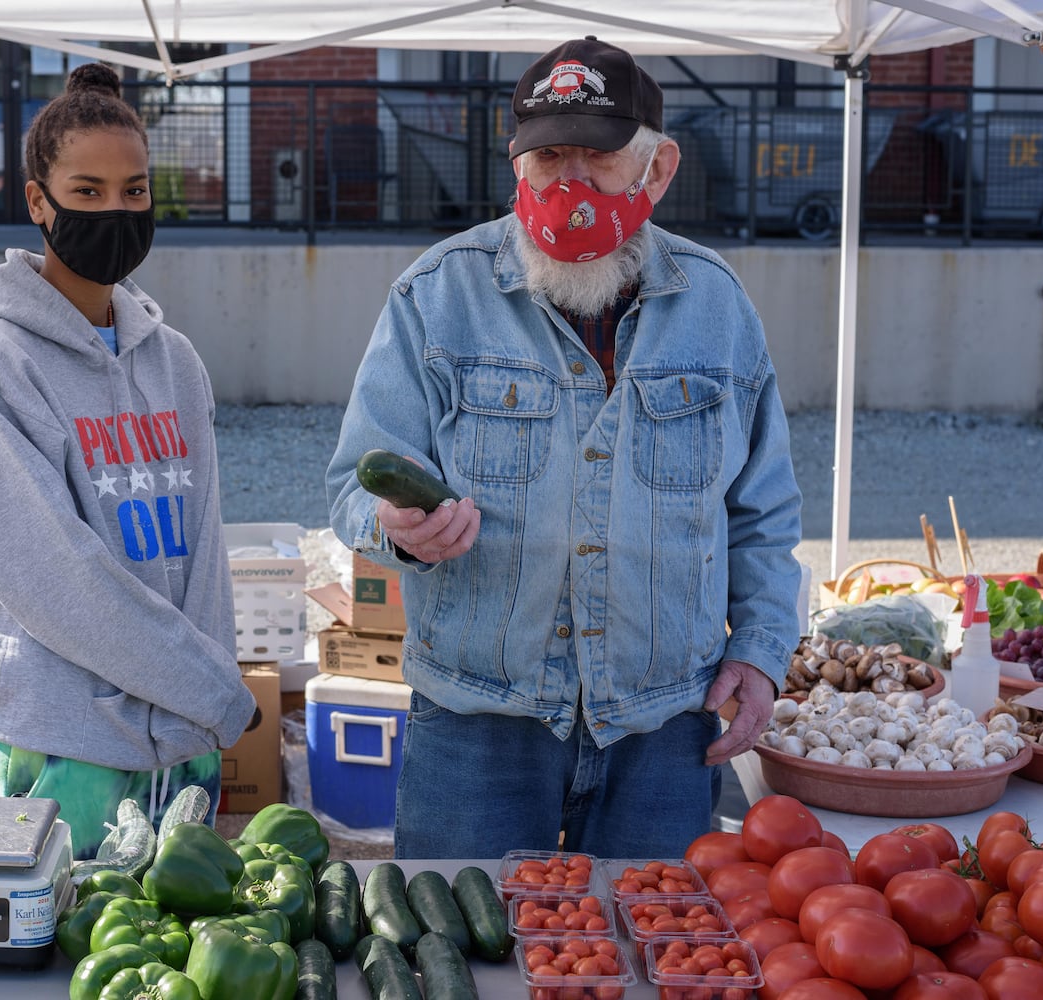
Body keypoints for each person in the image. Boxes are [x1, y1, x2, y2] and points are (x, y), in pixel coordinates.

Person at [326, 37, 803, 860]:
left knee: (659, 974)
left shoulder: (718, 308)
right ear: (517, 165)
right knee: (462, 972)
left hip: (661, 729)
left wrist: (760, 655)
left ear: (656, 169)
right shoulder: (435, 297)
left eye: (599, 155)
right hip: (478, 725)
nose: (568, 182)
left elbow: (762, 511)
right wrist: (391, 524)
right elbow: (350, 485)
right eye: (548, 155)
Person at [0, 62, 255, 860]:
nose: (116, 210)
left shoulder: (175, 361)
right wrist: (210, 690)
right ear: (38, 202)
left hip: (181, 747)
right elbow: (52, 579)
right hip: (56, 752)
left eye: (134, 191)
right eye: (88, 191)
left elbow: (205, 549)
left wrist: (205, 707)